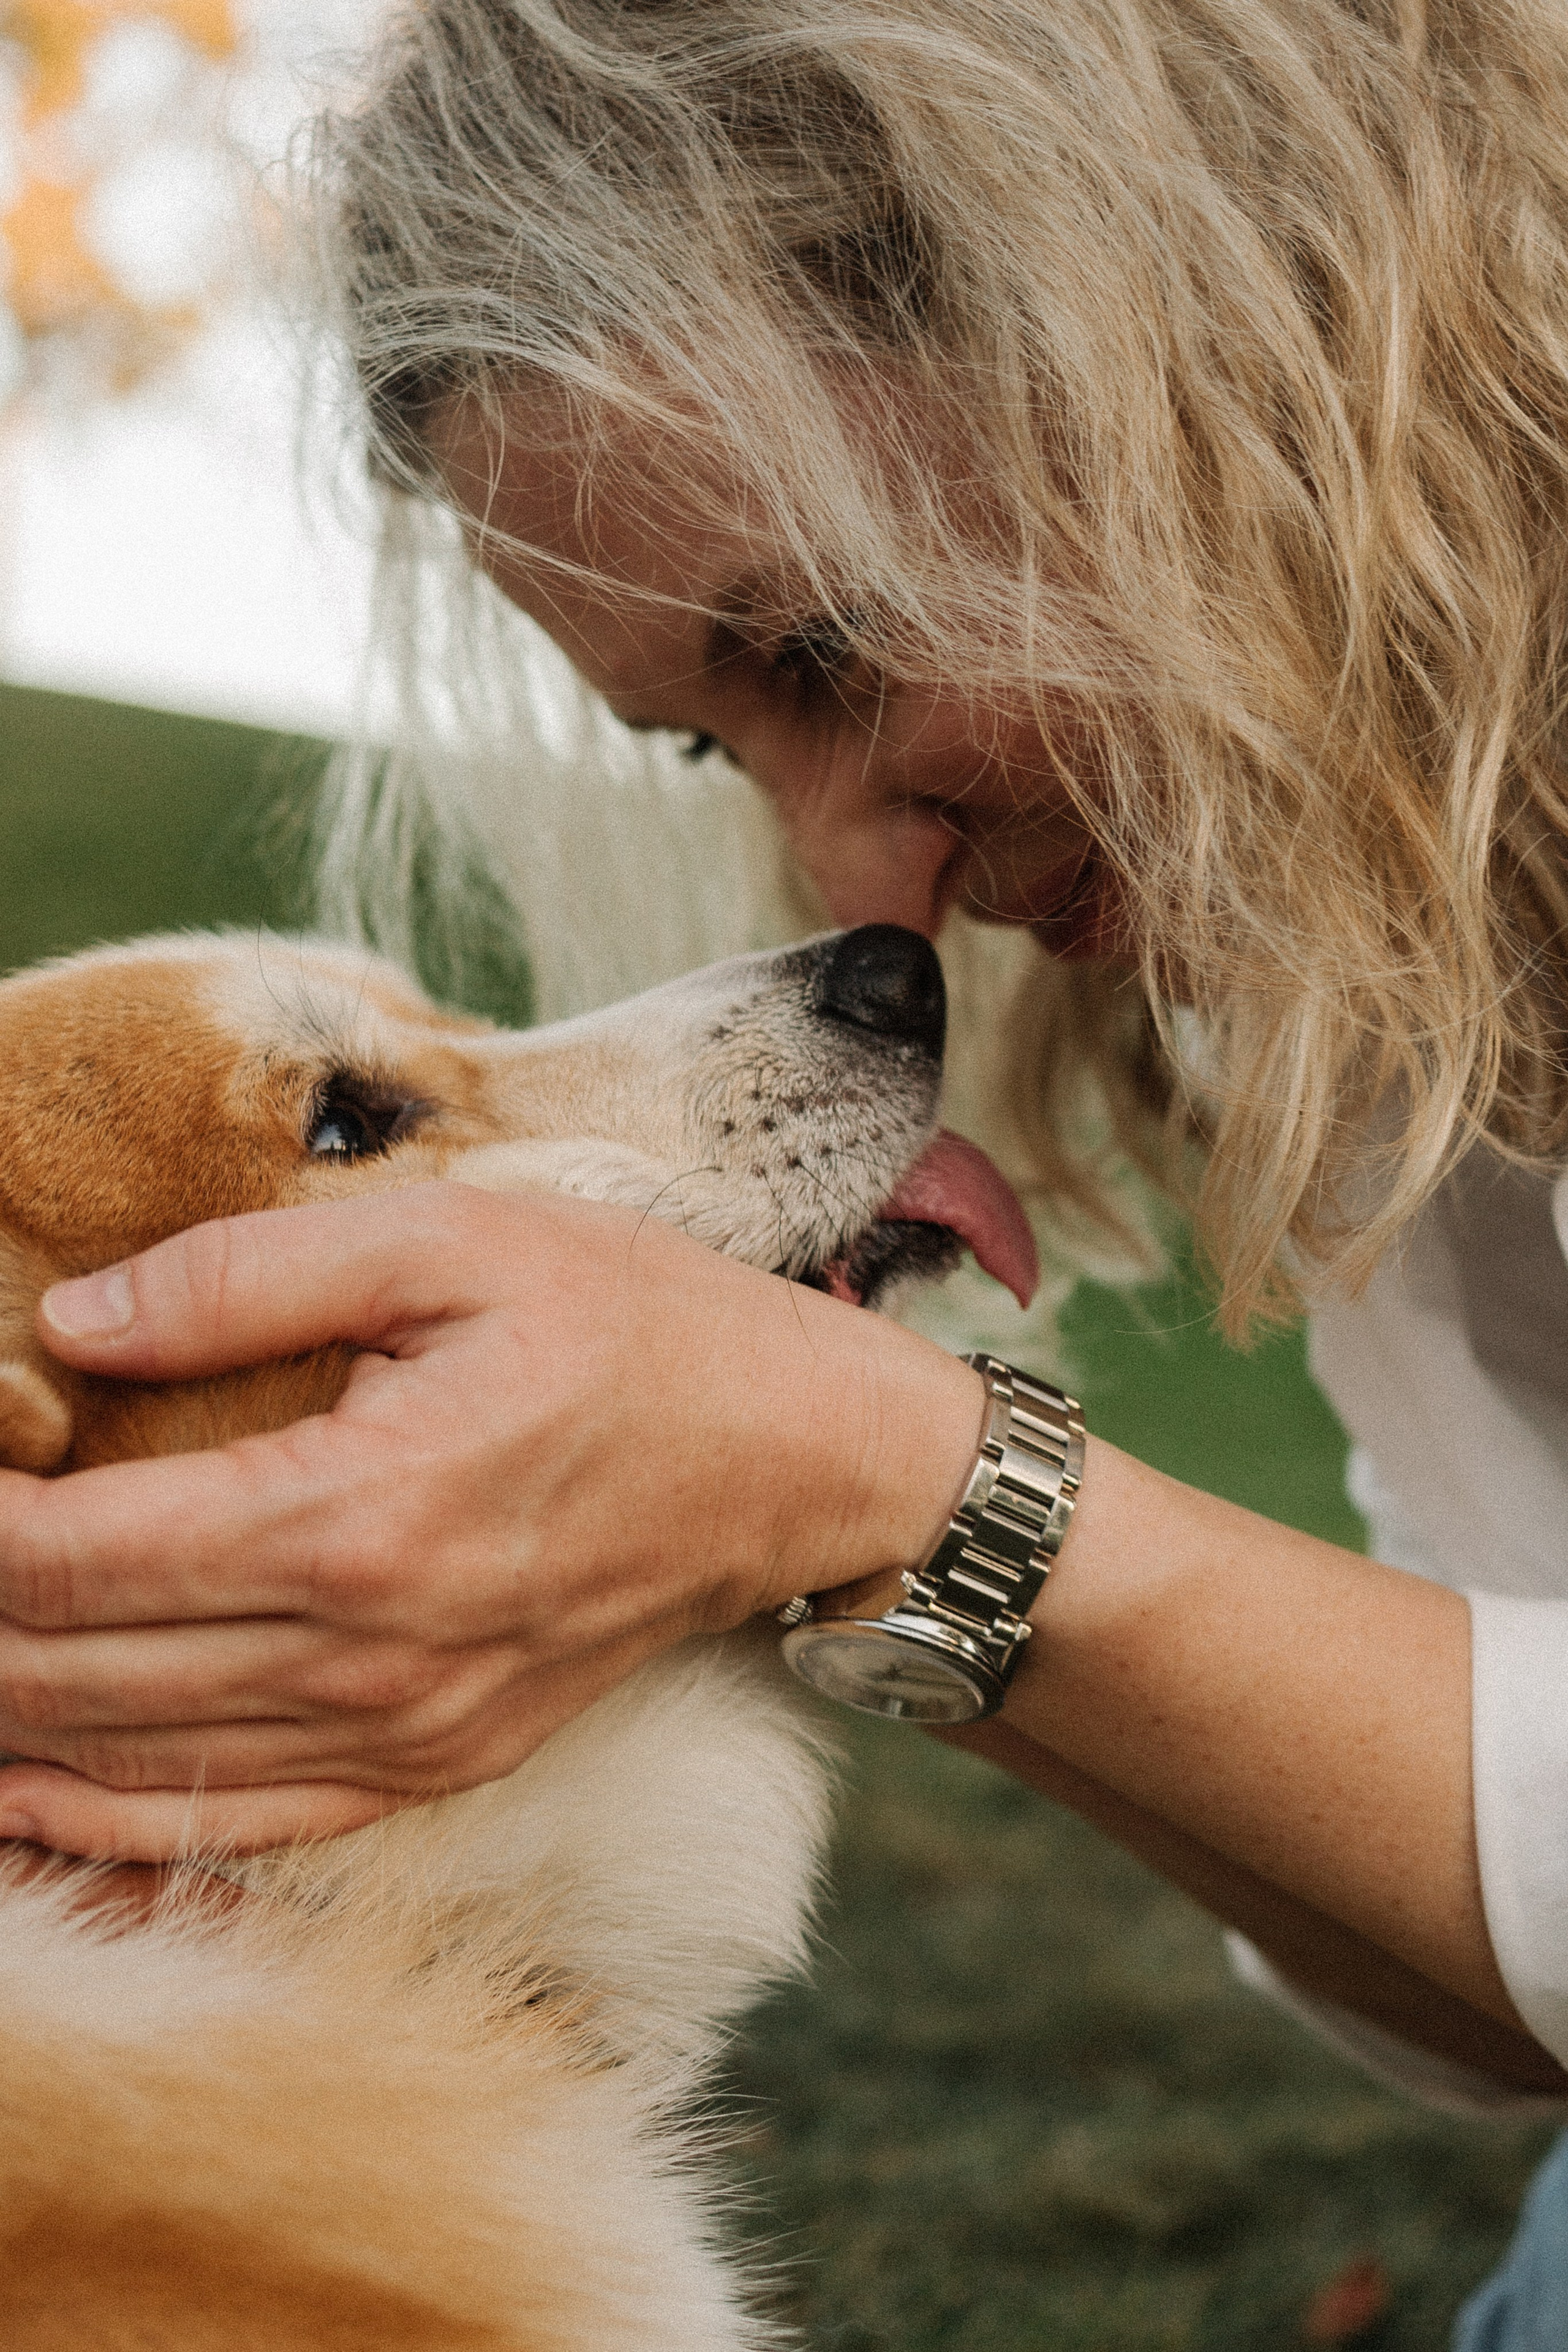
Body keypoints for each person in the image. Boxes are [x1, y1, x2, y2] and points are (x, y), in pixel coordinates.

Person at [6, 0, 1568, 2335]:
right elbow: (1492, 1976)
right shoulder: (1385, 971)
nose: (856, 883)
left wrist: (904, 1485)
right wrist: (829, 1531)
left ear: (1191, 344)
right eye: (714, 736)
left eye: (825, 647)